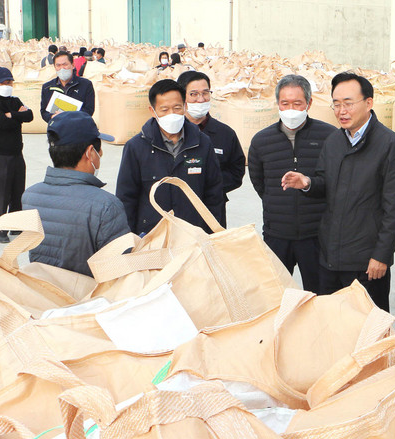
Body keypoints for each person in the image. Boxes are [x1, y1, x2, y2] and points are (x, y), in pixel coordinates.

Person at [281, 72, 395, 312]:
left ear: (369, 103)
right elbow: (325, 183)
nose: (342, 111)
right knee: (331, 326)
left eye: (348, 103)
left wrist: (381, 256)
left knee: (369, 330)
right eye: (337, 104)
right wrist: (308, 182)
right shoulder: (334, 141)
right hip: (329, 256)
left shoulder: (390, 145)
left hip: (366, 261)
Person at [248, 74, 334, 292]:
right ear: (277, 104)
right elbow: (260, 184)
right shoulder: (261, 141)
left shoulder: (329, 137)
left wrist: (308, 185)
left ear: (309, 103)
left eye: (297, 103)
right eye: (285, 103)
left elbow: (333, 182)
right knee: (276, 295)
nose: (291, 109)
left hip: (315, 235)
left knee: (319, 295)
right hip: (277, 234)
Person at [23, 111, 129, 277]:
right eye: (99, 149)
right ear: (90, 152)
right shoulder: (106, 205)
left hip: (45, 294)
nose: (100, 154)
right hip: (90, 299)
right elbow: (120, 268)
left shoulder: (29, 196)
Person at [116, 79, 223, 235]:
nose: (171, 114)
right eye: (164, 109)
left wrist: (212, 234)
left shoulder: (202, 143)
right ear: (153, 111)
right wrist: (130, 239)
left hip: (193, 234)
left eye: (177, 108)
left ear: (185, 106)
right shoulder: (136, 147)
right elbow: (126, 197)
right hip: (151, 235)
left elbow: (214, 193)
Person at [177, 71, 244, 227]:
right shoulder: (171, 132)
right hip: (177, 212)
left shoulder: (225, 134)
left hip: (212, 210)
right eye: (194, 94)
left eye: (205, 93)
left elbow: (236, 172)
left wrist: (209, 185)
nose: (201, 99)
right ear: (182, 96)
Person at [0, 67, 34, 243]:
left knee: (17, 191)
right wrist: (17, 116)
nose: (7, 85)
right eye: (3, 82)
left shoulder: (14, 101)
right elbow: (3, 123)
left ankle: (15, 224)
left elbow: (30, 115)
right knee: (0, 193)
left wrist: (13, 114)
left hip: (16, 153)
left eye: (9, 82)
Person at [40, 51, 95, 122]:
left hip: (78, 128)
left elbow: (89, 110)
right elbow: (44, 112)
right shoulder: (47, 87)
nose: (62, 68)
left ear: (73, 65)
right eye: (58, 65)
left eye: (65, 64)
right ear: (54, 67)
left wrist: (69, 116)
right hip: (56, 129)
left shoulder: (86, 84)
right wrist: (52, 116)